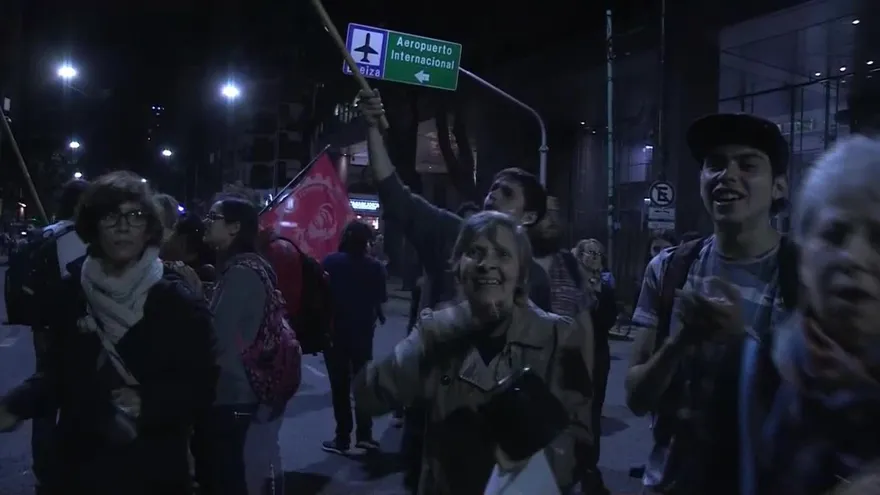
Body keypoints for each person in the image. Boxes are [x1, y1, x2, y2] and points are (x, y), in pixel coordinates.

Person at [0, 171, 217, 494]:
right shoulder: (73, 291)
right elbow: (57, 373)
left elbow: (203, 384)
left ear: (148, 229)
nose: (123, 225)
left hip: (151, 470)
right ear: (93, 226)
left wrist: (149, 401)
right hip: (78, 468)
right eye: (111, 215)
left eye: (135, 215)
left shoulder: (175, 301)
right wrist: (15, 405)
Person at [352, 211, 592, 495]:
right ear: (457, 267)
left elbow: (581, 441)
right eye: (474, 252)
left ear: (522, 273)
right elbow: (369, 396)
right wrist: (427, 348)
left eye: (502, 254)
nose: (486, 264)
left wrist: (528, 461)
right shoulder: (435, 330)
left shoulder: (557, 337)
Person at [625, 113, 794, 494]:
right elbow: (636, 398)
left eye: (747, 164)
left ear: (779, 186)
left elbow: (824, 409)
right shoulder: (668, 269)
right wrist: (680, 342)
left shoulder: (807, 274)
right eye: (715, 164)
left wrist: (741, 347)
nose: (727, 175)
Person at [739, 136, 880, 494]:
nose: (854, 256)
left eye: (879, 237)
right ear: (802, 255)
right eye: (835, 234)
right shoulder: (753, 371)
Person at [196, 197, 284, 494]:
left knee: (226, 479)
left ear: (234, 227)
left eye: (213, 216)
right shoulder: (244, 267)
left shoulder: (242, 272)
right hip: (239, 392)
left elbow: (215, 336)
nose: (206, 222)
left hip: (233, 394)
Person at [31, 178, 89, 494]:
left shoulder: (48, 234)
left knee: (45, 395)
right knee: (70, 394)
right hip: (72, 326)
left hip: (45, 328)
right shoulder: (81, 237)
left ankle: (44, 467)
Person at [321, 220, 387, 454]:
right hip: (362, 335)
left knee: (339, 388)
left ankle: (342, 438)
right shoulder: (376, 267)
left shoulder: (330, 262)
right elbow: (381, 298)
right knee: (362, 386)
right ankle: (365, 435)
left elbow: (321, 297)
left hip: (335, 334)